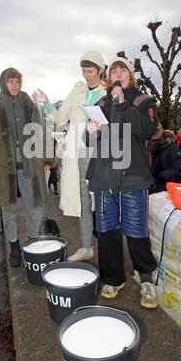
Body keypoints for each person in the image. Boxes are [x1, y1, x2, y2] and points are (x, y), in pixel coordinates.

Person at [85, 55, 158, 308]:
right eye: (114, 70)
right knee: (106, 232)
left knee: (136, 230)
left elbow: (147, 131)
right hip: (104, 176)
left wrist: (124, 104)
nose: (118, 74)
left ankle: (146, 278)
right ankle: (113, 278)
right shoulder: (102, 102)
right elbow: (90, 140)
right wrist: (91, 130)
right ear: (109, 77)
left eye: (122, 70)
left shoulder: (142, 100)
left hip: (133, 177)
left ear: (130, 76)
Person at [32, 51, 106, 261]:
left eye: (90, 71)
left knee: (103, 201)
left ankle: (111, 247)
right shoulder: (77, 92)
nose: (87, 75)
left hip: (101, 153)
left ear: (100, 71)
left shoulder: (108, 93)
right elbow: (59, 117)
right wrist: (46, 103)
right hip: (77, 153)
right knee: (81, 199)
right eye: (84, 71)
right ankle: (87, 246)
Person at [0, 68, 50, 267]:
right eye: (10, 82)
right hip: (2, 167)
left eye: (17, 81)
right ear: (3, 84)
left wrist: (47, 159)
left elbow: (41, 131)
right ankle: (14, 246)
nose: (14, 85)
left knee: (34, 205)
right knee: (8, 210)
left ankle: (33, 242)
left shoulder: (29, 105)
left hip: (29, 164)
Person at [150, 125, 181, 193]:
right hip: (146, 185)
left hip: (165, 187)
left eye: (157, 130)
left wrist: (159, 176)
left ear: (162, 130)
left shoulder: (171, 146)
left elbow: (177, 167)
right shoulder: (144, 144)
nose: (154, 132)